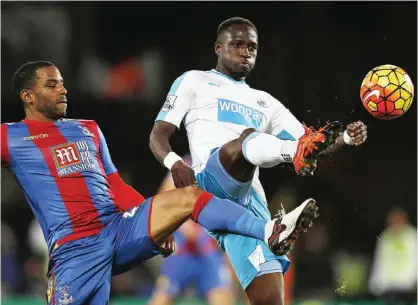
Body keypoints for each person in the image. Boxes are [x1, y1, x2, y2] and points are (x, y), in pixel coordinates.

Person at [2, 61, 308, 304]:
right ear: (27, 96)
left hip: (117, 228)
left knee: (189, 196)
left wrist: (158, 222)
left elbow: (116, 187)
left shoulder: (88, 129)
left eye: (63, 83)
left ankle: (268, 229)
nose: (63, 90)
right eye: (52, 84)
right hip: (74, 250)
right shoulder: (11, 137)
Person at [149, 17, 368, 305]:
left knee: (270, 300)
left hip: (249, 204)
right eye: (237, 45)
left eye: (251, 47)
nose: (245, 52)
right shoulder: (193, 80)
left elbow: (314, 142)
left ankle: (271, 228)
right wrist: (176, 163)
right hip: (209, 181)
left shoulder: (265, 102)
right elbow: (157, 136)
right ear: (218, 47)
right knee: (248, 139)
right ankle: (291, 159)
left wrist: (347, 139)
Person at [149, 154, 235, 305]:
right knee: (162, 298)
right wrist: (182, 224)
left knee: (222, 299)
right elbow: (162, 200)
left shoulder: (224, 169)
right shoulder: (186, 164)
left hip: (208, 250)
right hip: (182, 251)